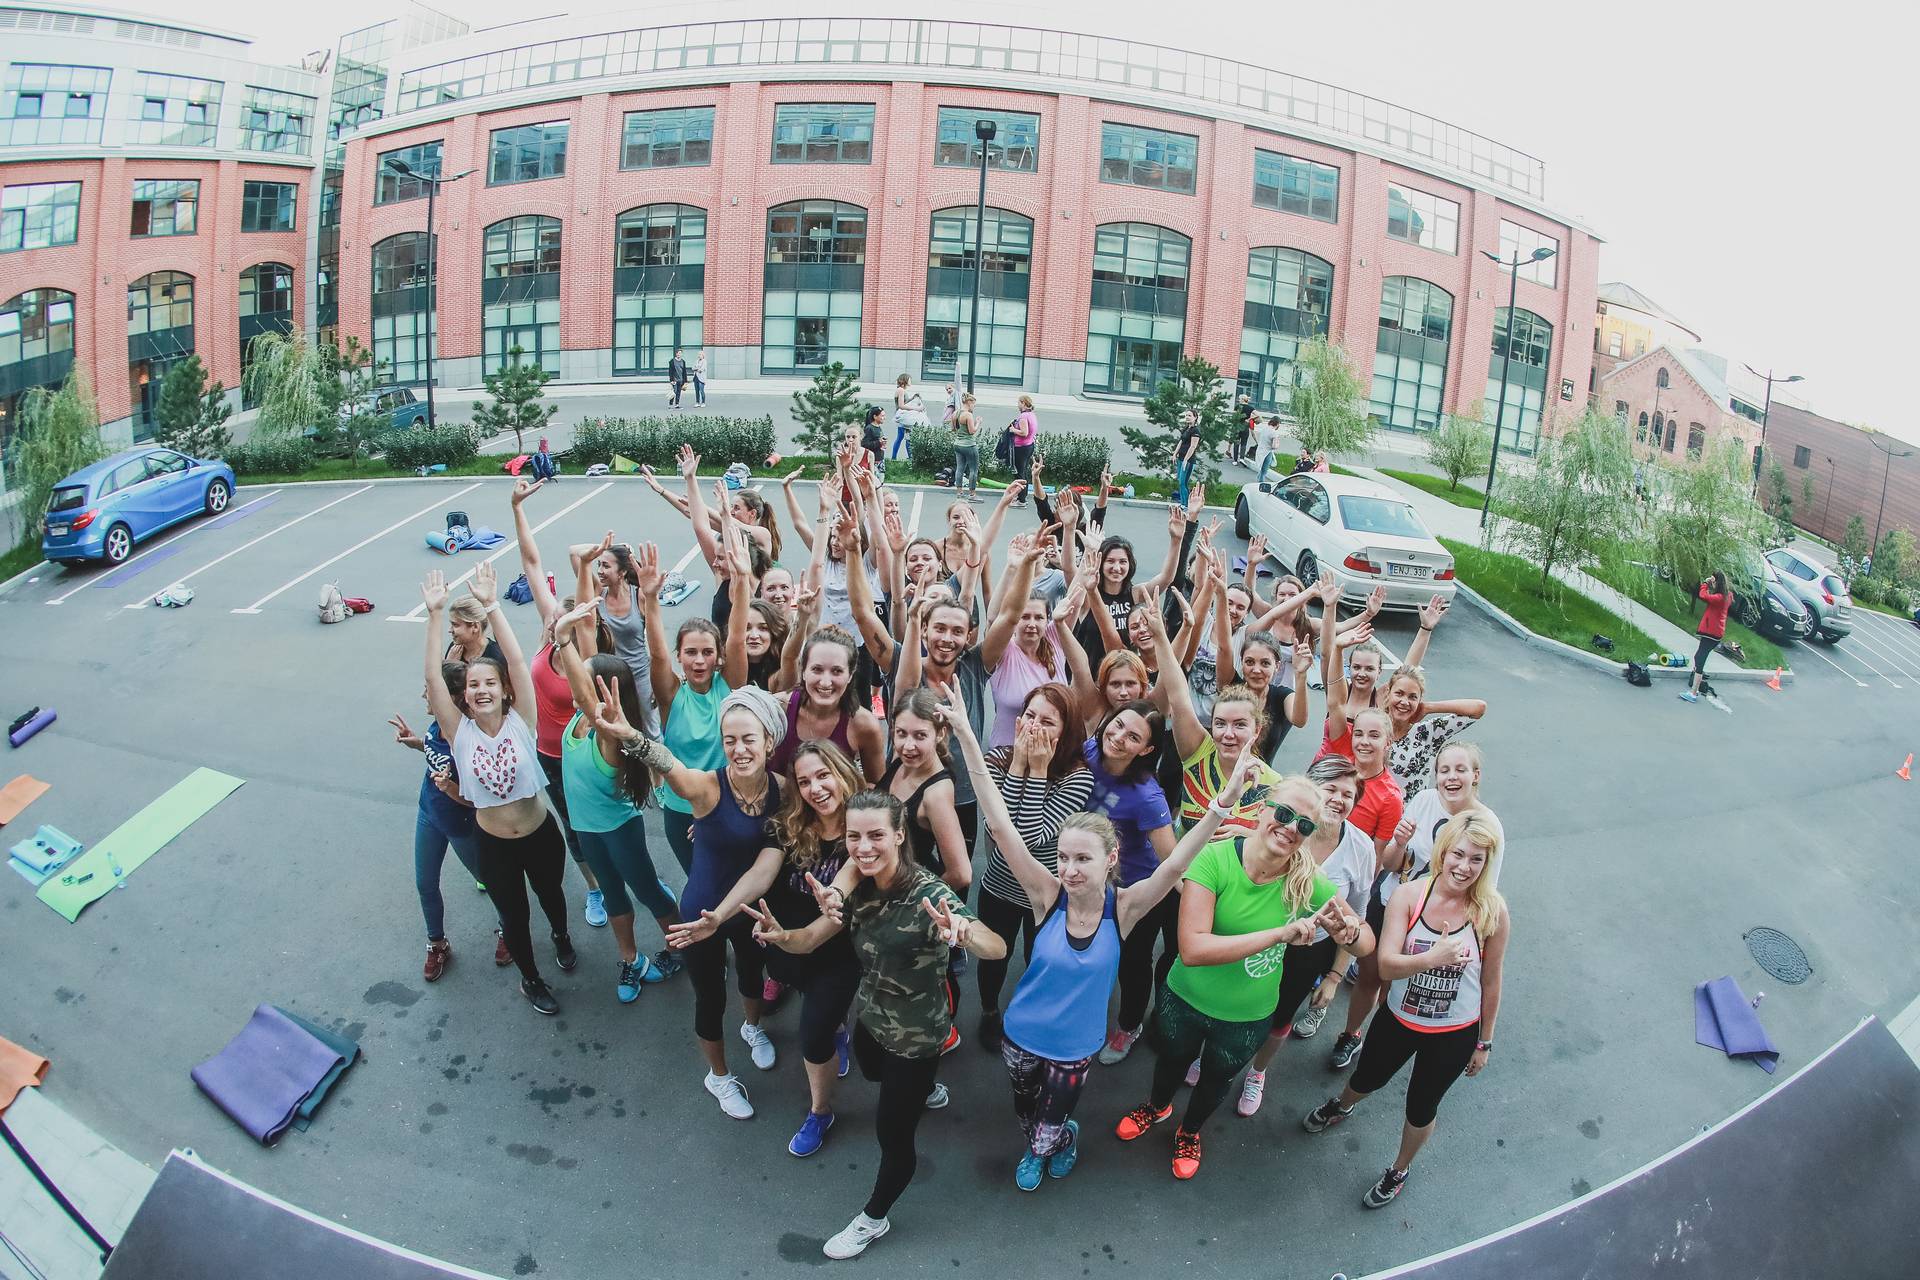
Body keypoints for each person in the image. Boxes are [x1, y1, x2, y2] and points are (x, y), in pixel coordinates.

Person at [939, 683, 1247, 1189]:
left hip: (1075, 1047)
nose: (1070, 869)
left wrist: (1221, 805)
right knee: (1025, 1106)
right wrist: (967, 735)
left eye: (1083, 859)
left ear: (1111, 860)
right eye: (1064, 858)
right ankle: (1049, 1139)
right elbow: (999, 822)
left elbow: (1175, 864)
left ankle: (1053, 1144)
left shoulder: (1123, 908)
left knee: (1052, 1118)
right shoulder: (1046, 894)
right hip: (1022, 1033)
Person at [743, 790, 1007, 1260]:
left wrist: (965, 932)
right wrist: (782, 937)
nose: (864, 847)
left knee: (893, 1136)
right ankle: (924, 1089)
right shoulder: (857, 883)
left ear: (900, 836)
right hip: (871, 1016)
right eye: (854, 836)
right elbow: (809, 940)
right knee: (868, 1068)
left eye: (876, 835)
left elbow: (997, 946)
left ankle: (873, 1218)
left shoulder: (929, 894)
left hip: (916, 1038)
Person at [1113, 775, 1364, 1179]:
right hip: (1185, 998)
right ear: (1262, 809)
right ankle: (1157, 1107)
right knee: (1170, 1062)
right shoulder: (1215, 859)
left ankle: (1189, 1132)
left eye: (1304, 824)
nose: (1290, 827)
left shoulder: (1307, 880)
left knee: (1217, 1080)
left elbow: (1366, 943)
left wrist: (1350, 932)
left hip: (1246, 1016)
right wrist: (1279, 935)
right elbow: (1193, 949)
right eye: (1284, 814)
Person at [1302, 809, 1508, 1209]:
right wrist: (1433, 958)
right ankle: (1342, 1105)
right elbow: (1385, 965)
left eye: (1476, 859)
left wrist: (1485, 1042)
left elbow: (1491, 981)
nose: (1464, 867)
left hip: (1454, 1032)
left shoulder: (1492, 912)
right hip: (1400, 1019)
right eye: (1458, 854)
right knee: (1366, 1077)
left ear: (1487, 864)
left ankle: (1399, 1169)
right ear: (1443, 851)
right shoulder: (1410, 895)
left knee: (1421, 1107)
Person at [420, 562, 575, 1015]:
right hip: (493, 844)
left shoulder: (522, 720)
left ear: (505, 690)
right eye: (474, 685)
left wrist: (493, 605)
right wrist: (435, 615)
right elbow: (433, 679)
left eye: (490, 683)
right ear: (464, 696)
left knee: (551, 896)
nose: (482, 690)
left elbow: (517, 662)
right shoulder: (459, 732)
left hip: (540, 834)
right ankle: (532, 980)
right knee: (515, 917)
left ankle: (562, 936)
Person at [639, 685, 787, 1118]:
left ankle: (752, 1027)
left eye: (749, 739)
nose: (739, 750)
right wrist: (632, 737)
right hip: (700, 915)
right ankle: (718, 1076)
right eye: (729, 740)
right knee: (710, 997)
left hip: (748, 910)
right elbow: (672, 769)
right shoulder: (708, 786)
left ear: (769, 742)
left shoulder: (783, 790)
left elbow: (767, 864)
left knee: (752, 974)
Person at [549, 599, 687, 1001]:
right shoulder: (579, 718)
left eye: (583, 677)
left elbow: (584, 689)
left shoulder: (608, 733)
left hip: (618, 830)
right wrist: (569, 632)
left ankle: (681, 948)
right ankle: (631, 959)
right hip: (587, 829)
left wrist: (563, 641)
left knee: (648, 890)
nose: (574, 681)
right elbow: (582, 681)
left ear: (602, 691)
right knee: (611, 892)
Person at [1237, 754, 1380, 1114]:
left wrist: (1333, 978)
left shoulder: (1360, 848)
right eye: (1331, 789)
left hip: (1309, 949)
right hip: (1257, 932)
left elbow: (1356, 918)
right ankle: (1214, 1055)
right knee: (1236, 999)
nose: (1339, 800)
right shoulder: (1286, 828)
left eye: (1348, 795)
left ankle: (1257, 1072)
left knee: (1281, 1016)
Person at [971, 684, 1094, 1051]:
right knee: (994, 956)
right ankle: (989, 1011)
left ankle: (1030, 1011)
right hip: (999, 885)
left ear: (1066, 731)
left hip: (1045, 891)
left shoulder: (1078, 777)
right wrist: (1018, 766)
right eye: (1029, 716)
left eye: (1048, 722)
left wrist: (1036, 770)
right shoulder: (996, 761)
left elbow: (1028, 838)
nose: (1034, 727)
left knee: (1037, 957)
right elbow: (1002, 834)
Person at [511, 481, 610, 931]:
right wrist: (517, 508)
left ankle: (618, 873)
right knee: (572, 826)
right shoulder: (547, 632)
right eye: (554, 617)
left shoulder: (583, 648)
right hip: (548, 755)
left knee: (599, 820)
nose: (554, 622)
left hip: (583, 753)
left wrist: (586, 567)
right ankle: (595, 887)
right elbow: (532, 564)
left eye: (564, 619)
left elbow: (585, 613)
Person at [390, 667, 493, 983]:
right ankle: (437, 944)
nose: (424, 694)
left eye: (430, 689)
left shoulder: (470, 740)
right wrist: (417, 743)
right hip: (429, 814)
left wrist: (451, 790)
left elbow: (480, 800)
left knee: (489, 878)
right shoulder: (436, 727)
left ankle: (508, 930)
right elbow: (437, 754)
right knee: (425, 884)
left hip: (461, 824)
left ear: (451, 698)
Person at [1326, 707, 1409, 1070]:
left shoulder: (1390, 797)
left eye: (1374, 736)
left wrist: (1348, 893)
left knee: (1355, 950)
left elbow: (1375, 863)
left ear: (1388, 742)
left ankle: (1348, 1029)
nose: (1363, 741)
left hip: (1354, 883)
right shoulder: (1338, 773)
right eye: (1359, 733)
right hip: (1322, 867)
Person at [570, 534, 660, 738]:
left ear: (622, 572)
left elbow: (655, 643)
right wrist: (603, 547)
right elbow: (574, 552)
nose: (600, 571)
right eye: (598, 565)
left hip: (640, 674)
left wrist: (655, 680)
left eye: (606, 566)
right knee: (613, 730)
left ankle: (657, 760)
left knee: (650, 729)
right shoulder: (597, 594)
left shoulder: (640, 596)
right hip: (611, 675)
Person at [1382, 664, 1487, 791]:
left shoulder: (1428, 733)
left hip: (1412, 804)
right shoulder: (1372, 726)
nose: (1405, 702)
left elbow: (1478, 708)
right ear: (1388, 692)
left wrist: (1428, 707)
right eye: (1399, 694)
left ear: (1420, 700)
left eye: (1413, 697)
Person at [1682, 570, 1732, 703]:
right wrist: (1711, 585)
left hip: (1711, 633)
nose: (1712, 583)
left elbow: (1703, 595)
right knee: (1699, 657)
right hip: (1715, 633)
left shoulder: (1719, 598)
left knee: (1700, 659)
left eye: (1714, 581)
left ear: (1718, 582)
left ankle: (1693, 693)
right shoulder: (1727, 596)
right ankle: (1695, 686)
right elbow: (1711, 597)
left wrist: (1705, 583)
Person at [443, 596, 505, 668]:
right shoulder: (455, 649)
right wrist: (448, 664)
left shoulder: (495, 657)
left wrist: (451, 666)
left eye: (455, 625)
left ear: (475, 627)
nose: (450, 630)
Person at [951, 392, 983, 504]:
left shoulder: (955, 413)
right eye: (974, 404)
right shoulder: (968, 415)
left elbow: (953, 429)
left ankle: (959, 493)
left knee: (960, 468)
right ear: (969, 402)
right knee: (973, 470)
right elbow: (972, 431)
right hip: (969, 445)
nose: (974, 407)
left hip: (957, 444)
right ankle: (972, 494)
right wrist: (978, 422)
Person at [1010, 395, 1039, 504]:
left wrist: (1013, 430)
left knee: (1019, 473)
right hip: (1029, 446)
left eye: (1019, 402)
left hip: (1021, 448)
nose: (1017, 405)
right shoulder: (1032, 415)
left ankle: (1021, 499)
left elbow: (1024, 432)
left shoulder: (1023, 417)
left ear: (1023, 403)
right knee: (1024, 472)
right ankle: (1022, 496)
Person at [892, 374, 928, 460]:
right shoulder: (901, 390)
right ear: (905, 380)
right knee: (906, 437)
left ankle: (895, 458)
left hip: (902, 416)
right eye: (909, 379)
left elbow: (904, 402)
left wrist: (913, 398)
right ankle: (908, 458)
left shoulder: (901, 390)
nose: (910, 381)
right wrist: (916, 409)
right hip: (903, 417)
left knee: (901, 437)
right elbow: (901, 405)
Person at [1174, 409, 1201, 507]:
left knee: (1183, 482)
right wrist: (1175, 453)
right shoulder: (1186, 428)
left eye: (1189, 415)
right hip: (1180, 458)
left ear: (1195, 417)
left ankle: (1185, 504)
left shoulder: (1195, 431)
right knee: (1180, 482)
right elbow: (1181, 441)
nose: (1187, 417)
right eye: (1186, 415)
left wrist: (1186, 459)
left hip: (1188, 460)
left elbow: (1193, 446)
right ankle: (1183, 502)